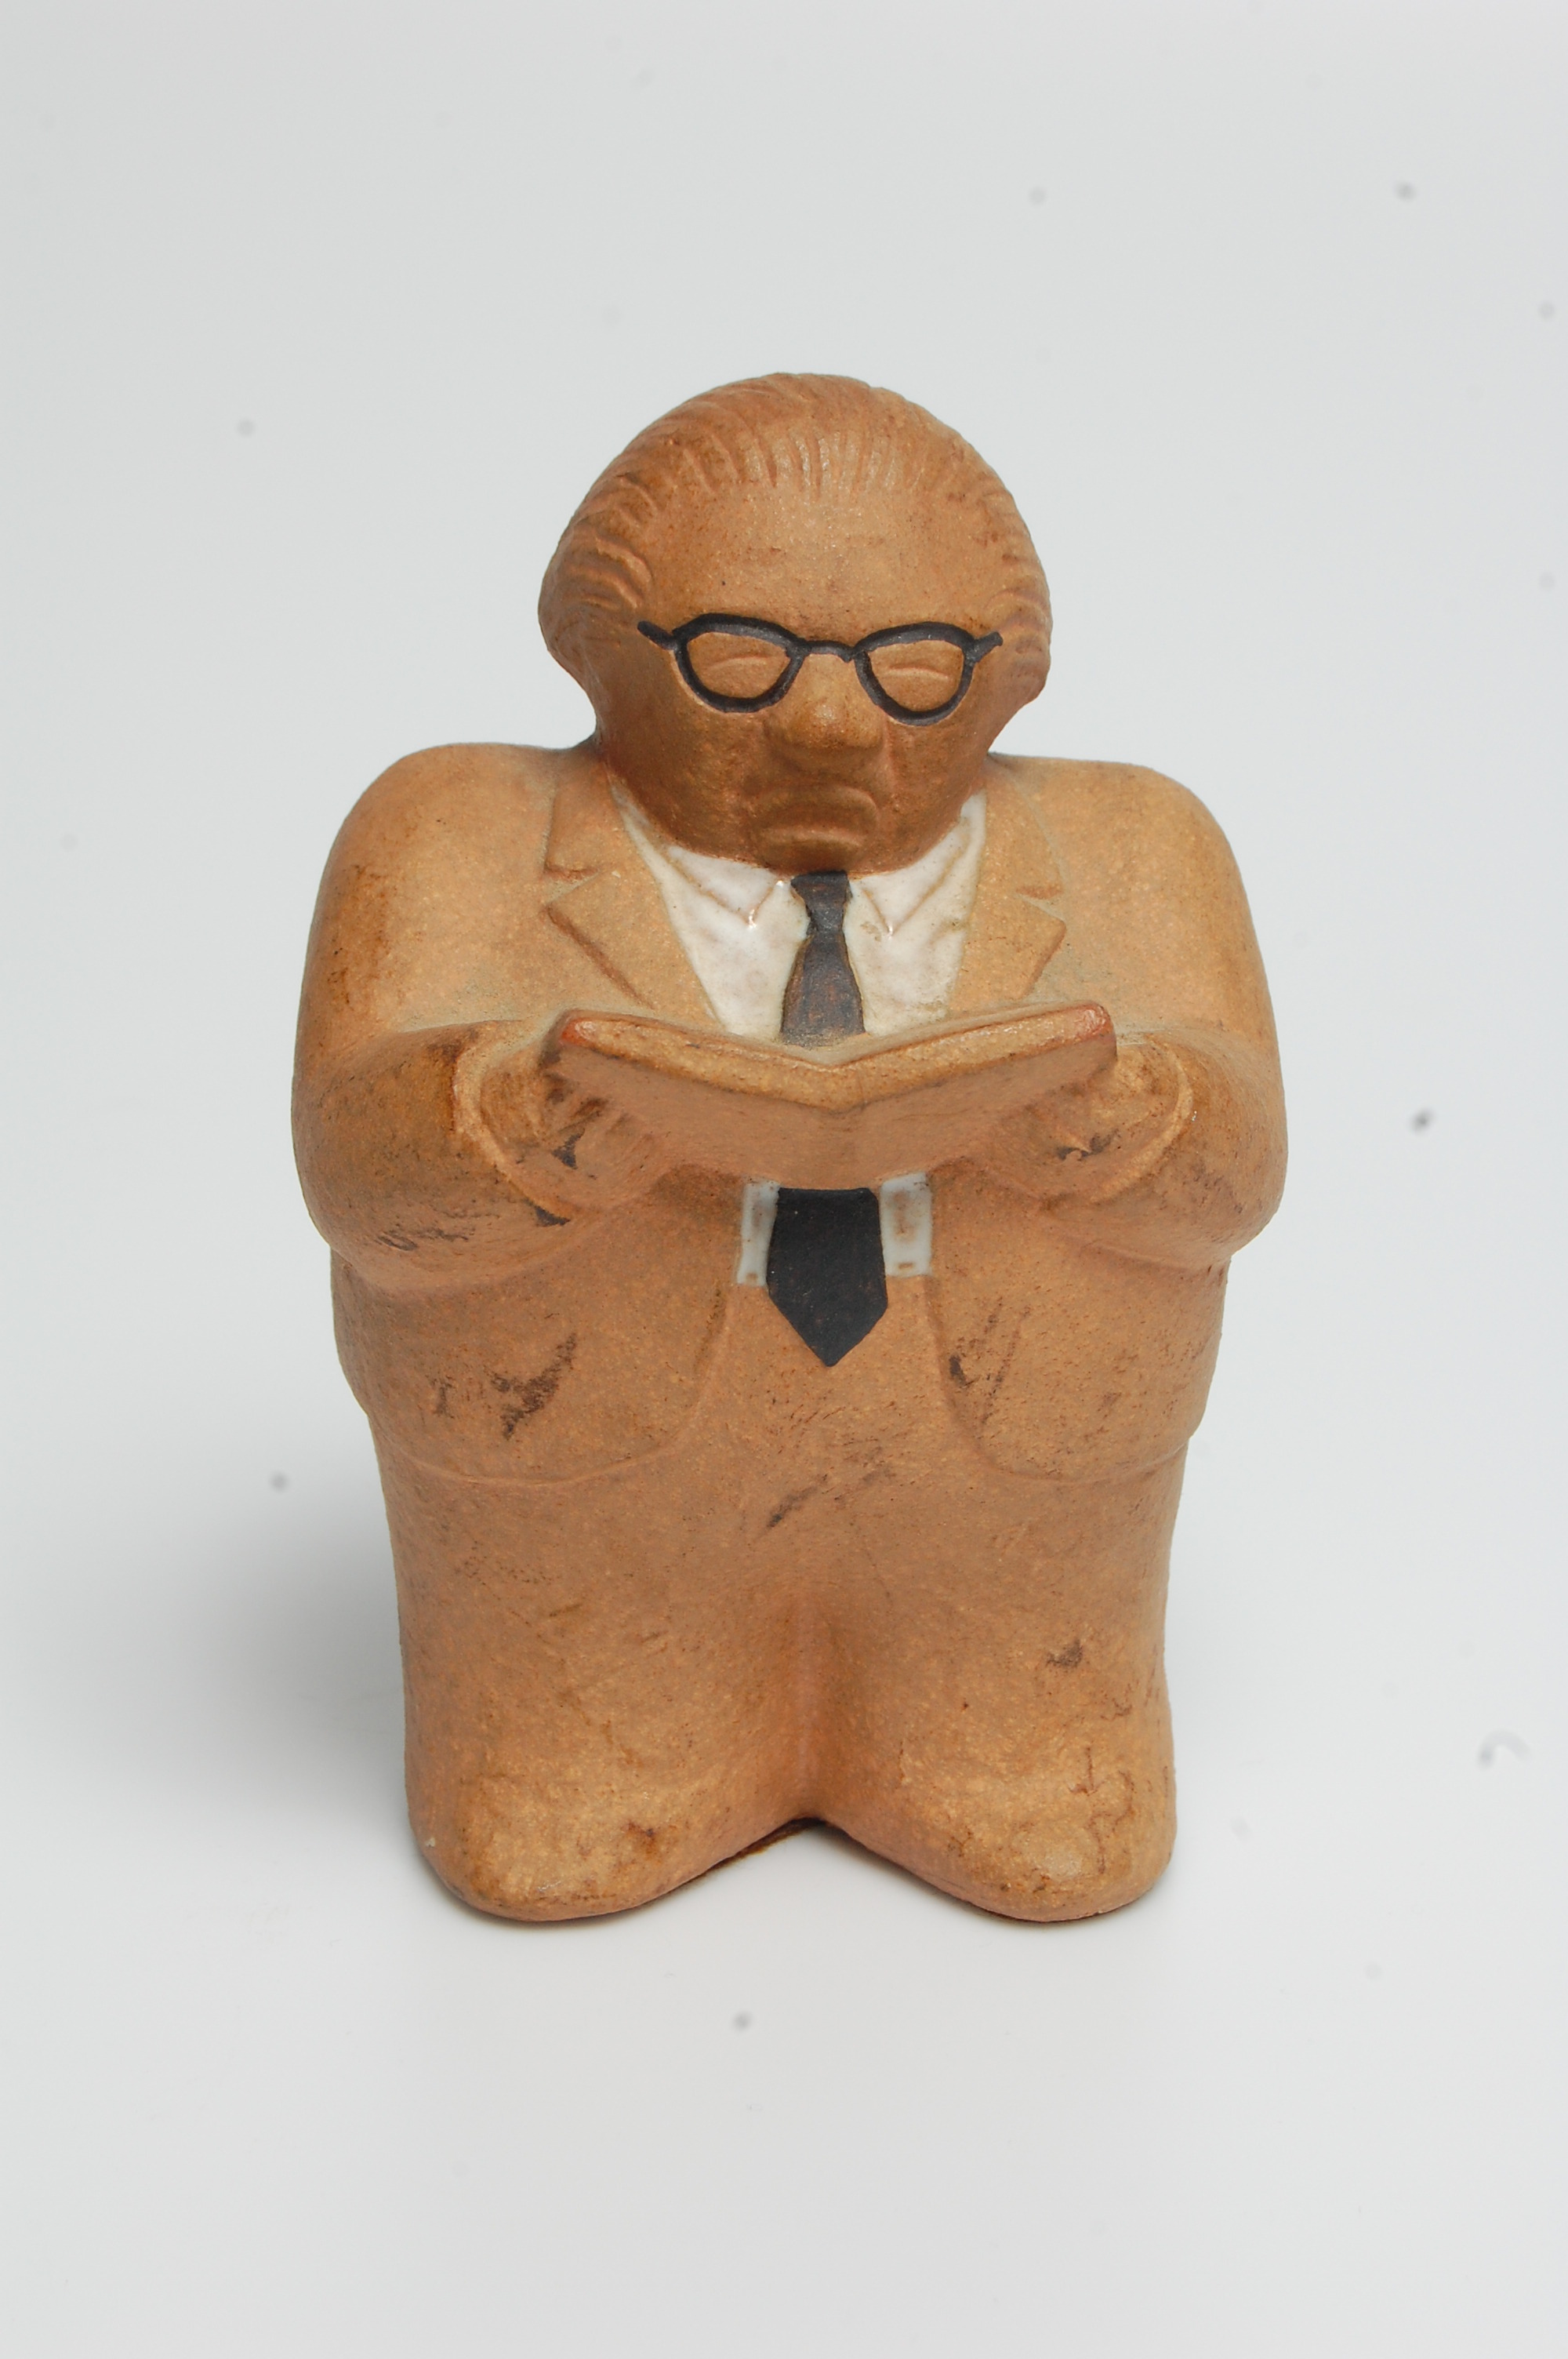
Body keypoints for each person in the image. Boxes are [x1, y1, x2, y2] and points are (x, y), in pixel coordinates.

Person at [293, 374, 1284, 1922]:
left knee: (1053, 1823)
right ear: (597, 647)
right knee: (561, 1824)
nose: (831, 724)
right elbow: (355, 1163)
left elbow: (1241, 1164)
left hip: (1021, 1493)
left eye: (917, 668)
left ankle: (986, 1740)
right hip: (580, 1487)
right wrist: (515, 1124)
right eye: (741, 659)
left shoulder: (1140, 845)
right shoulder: (447, 827)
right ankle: (604, 1742)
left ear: (1011, 679)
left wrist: (1121, 1118)